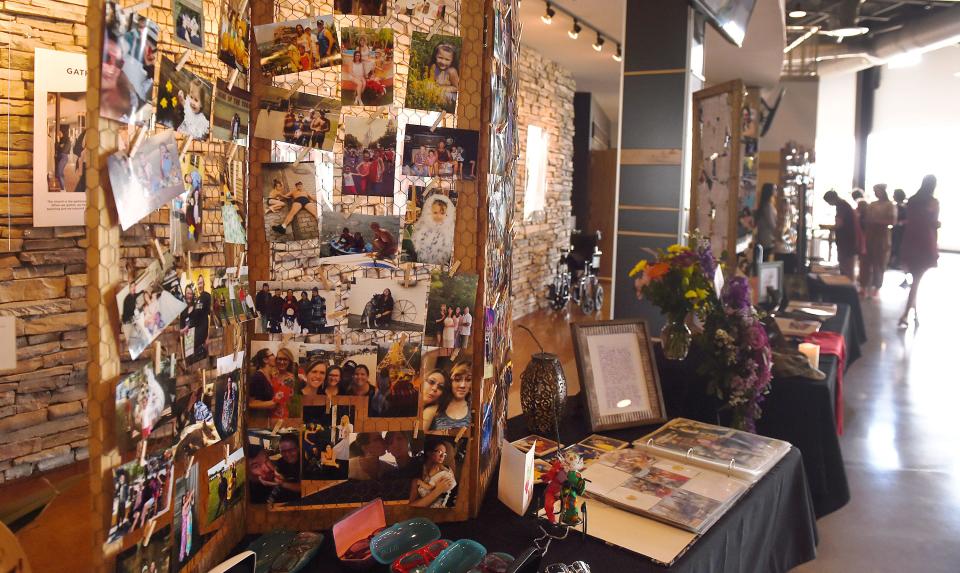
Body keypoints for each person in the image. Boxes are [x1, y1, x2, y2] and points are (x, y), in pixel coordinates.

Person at [899, 175, 940, 327]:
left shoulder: (912, 201)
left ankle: (912, 312)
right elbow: (934, 223)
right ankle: (905, 314)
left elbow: (910, 220)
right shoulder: (933, 202)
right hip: (925, 242)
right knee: (916, 280)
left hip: (911, 240)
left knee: (915, 279)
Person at [861, 184, 897, 298]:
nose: (876, 193)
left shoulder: (890, 205)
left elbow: (892, 220)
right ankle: (864, 286)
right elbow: (867, 219)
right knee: (866, 262)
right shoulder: (872, 204)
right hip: (870, 235)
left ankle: (877, 286)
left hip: (882, 237)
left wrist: (877, 221)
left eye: (877, 191)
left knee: (879, 263)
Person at [823, 190, 861, 281]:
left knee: (846, 264)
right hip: (847, 239)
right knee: (846, 263)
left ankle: (848, 285)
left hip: (846, 239)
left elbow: (839, 223)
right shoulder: (843, 205)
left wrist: (832, 227)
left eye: (828, 202)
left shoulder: (842, 206)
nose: (829, 204)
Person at [409, 440, 457, 508]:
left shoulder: (447, 469)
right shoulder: (417, 473)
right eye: (439, 452)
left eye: (445, 454)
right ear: (429, 453)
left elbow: (453, 490)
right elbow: (412, 506)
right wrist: (438, 490)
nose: (442, 456)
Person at [411, 195, 455, 264]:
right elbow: (417, 245)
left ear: (447, 214)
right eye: (435, 212)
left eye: (442, 213)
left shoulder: (449, 230)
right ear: (429, 212)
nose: (438, 216)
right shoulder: (423, 227)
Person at [430, 359, 471, 430]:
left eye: (468, 380)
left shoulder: (475, 410)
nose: (462, 385)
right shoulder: (436, 406)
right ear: (450, 381)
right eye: (457, 379)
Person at [429, 42, 460, 111]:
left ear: (452, 60)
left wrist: (441, 89)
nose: (443, 62)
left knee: (444, 95)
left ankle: (443, 109)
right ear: (435, 56)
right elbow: (431, 81)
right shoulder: (434, 67)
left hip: (449, 96)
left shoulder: (452, 71)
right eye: (440, 57)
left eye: (447, 60)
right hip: (437, 91)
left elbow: (457, 88)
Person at [247, 348, 277, 413]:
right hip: (260, 418)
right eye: (272, 354)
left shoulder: (270, 375)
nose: (275, 357)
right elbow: (251, 403)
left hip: (269, 416)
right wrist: (274, 402)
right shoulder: (258, 377)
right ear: (265, 360)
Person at [754, 183, 778, 256]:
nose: (776, 191)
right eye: (775, 189)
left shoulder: (767, 205)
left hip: (766, 239)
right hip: (767, 239)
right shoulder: (767, 206)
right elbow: (771, 224)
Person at [891, 188, 908, 270]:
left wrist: (900, 223)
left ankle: (898, 261)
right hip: (896, 229)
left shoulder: (904, 206)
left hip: (901, 229)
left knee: (898, 245)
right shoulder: (895, 206)